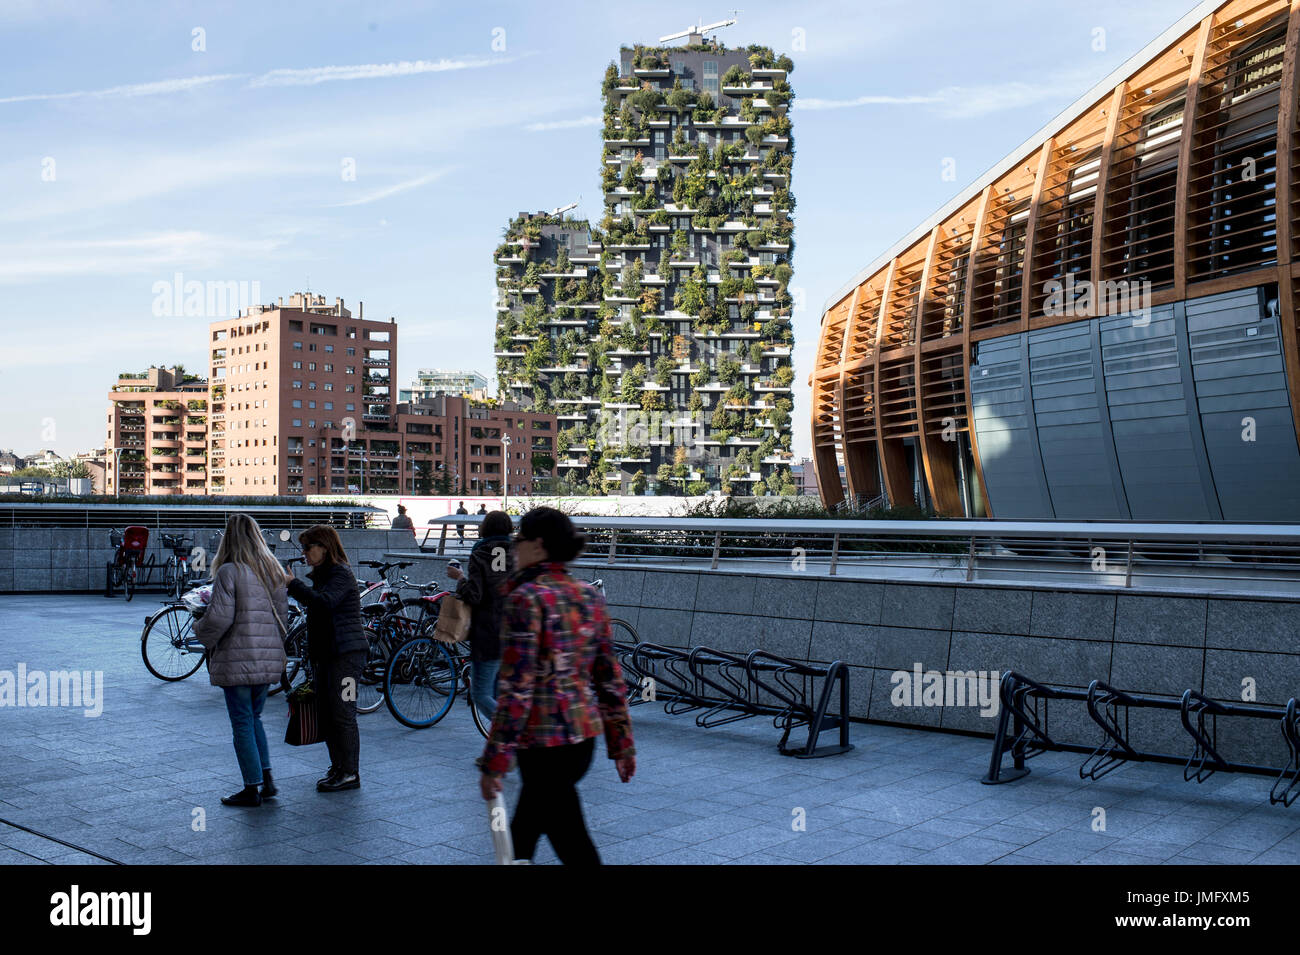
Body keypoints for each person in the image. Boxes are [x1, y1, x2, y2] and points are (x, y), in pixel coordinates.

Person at [479, 507, 636, 864]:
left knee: (570, 841)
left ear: (538, 545)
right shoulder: (588, 596)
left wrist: (495, 762)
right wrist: (622, 744)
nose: (514, 547)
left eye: (519, 539)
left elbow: (518, 690)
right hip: (581, 741)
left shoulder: (526, 599)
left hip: (543, 744)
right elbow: (609, 678)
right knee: (525, 833)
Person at [193, 514, 289, 808]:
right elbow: (283, 618)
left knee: (242, 723)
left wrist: (199, 624)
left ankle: (251, 788)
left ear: (228, 539)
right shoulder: (273, 570)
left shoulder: (229, 571)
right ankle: (267, 778)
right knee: (254, 718)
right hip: (267, 657)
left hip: (237, 658)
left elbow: (220, 617)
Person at [286, 524, 367, 792]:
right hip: (328, 654)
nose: (304, 553)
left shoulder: (341, 573)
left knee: (344, 713)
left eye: (308, 547)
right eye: (303, 548)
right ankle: (338, 768)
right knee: (329, 713)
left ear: (324, 546)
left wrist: (293, 585)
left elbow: (323, 603)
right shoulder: (324, 574)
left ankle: (350, 773)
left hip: (348, 655)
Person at [446, 510, 513, 720]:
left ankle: (512, 733)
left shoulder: (480, 551)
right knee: (501, 691)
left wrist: (459, 578)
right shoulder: (519, 553)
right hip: (514, 629)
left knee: (481, 693)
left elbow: (474, 595)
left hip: (488, 632)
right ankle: (501, 746)